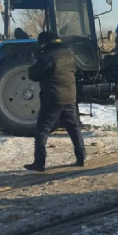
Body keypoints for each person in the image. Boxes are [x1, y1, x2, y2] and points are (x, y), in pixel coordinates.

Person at [24, 31, 86, 172]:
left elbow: (34, 75)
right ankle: (81, 157)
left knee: (42, 130)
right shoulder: (69, 53)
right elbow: (76, 72)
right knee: (74, 128)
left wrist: (33, 63)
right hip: (69, 97)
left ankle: (39, 163)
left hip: (52, 99)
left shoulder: (46, 55)